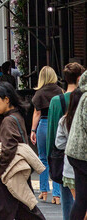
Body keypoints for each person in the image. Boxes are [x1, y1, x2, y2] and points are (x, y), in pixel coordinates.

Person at [0, 82, 46, 220]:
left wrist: (0, 170)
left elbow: (9, 146)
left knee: (2, 212)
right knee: (25, 209)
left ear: (7, 99)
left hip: (8, 174)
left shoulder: (9, 121)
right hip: (16, 171)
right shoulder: (14, 116)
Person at [46, 62, 84, 217]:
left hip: (63, 156)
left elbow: (52, 133)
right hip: (82, 157)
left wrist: (50, 156)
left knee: (66, 199)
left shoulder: (56, 101)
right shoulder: (84, 98)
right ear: (80, 77)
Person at [30, 65, 63, 204]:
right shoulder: (60, 91)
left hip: (43, 124)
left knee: (42, 158)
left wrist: (33, 130)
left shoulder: (39, 93)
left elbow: (37, 113)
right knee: (56, 158)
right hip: (57, 124)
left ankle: (44, 191)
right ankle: (57, 195)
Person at [55, 85, 83, 220]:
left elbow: (59, 143)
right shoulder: (83, 119)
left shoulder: (64, 120)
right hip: (82, 166)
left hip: (69, 168)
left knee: (78, 202)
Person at [65, 70, 87, 220]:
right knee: (82, 199)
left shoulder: (84, 95)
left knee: (82, 199)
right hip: (83, 154)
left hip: (76, 153)